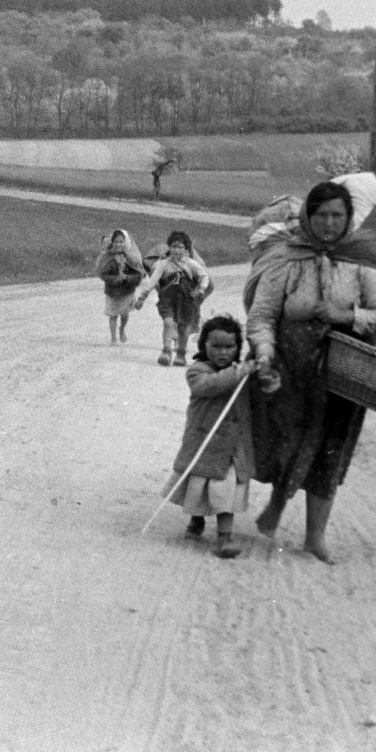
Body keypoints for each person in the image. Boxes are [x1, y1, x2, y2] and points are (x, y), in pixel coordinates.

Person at [245, 178, 376, 564]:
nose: (330, 223)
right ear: (308, 218)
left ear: (349, 220)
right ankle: (277, 504)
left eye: (338, 216)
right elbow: (262, 316)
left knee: (330, 449)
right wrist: (263, 352)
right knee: (288, 441)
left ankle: (315, 536)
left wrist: (345, 315)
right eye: (322, 215)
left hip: (343, 373)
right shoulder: (286, 262)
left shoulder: (363, 267)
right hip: (290, 371)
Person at [168, 315, 258, 559]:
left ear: (238, 348)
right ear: (203, 346)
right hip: (204, 443)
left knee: (225, 492)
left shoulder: (241, 374)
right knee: (198, 488)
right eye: (215, 346)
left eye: (229, 347)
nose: (222, 353)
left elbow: (256, 398)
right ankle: (196, 520)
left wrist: (266, 382)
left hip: (232, 446)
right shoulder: (198, 371)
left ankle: (224, 538)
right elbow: (210, 386)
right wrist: (238, 372)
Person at [135, 231, 213, 367]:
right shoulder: (163, 264)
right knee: (168, 322)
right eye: (173, 246)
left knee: (183, 328)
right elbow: (152, 280)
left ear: (186, 249)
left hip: (186, 300)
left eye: (180, 247)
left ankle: (181, 354)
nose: (176, 250)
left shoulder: (191, 264)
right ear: (169, 247)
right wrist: (142, 297)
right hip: (168, 299)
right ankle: (166, 351)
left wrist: (200, 289)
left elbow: (204, 276)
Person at [95, 229, 146, 344]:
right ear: (112, 242)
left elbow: (139, 274)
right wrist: (115, 279)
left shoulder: (131, 257)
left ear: (125, 243)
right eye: (116, 242)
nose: (118, 244)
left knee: (124, 314)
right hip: (112, 291)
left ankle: (122, 329)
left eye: (121, 241)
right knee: (113, 315)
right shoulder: (107, 256)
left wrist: (127, 278)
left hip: (127, 291)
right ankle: (113, 338)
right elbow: (102, 273)